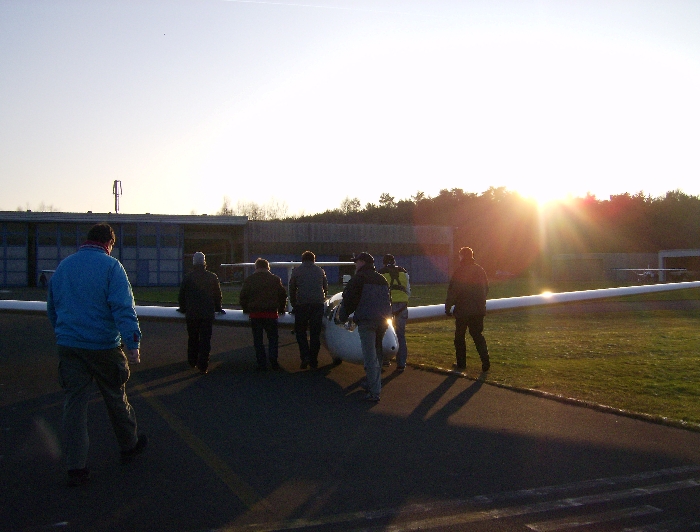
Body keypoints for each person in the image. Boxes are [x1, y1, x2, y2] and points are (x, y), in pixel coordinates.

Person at [46, 223, 147, 487]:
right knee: (115, 398)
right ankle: (129, 445)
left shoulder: (64, 267)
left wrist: (64, 334)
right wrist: (132, 343)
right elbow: (123, 308)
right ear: (109, 243)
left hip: (69, 346)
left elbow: (52, 308)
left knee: (74, 406)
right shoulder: (112, 267)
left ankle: (76, 466)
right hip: (103, 347)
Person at [338, 252, 392, 402]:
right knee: (377, 353)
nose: (355, 264)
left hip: (367, 321)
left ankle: (374, 392)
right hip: (383, 321)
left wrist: (342, 317)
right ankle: (373, 383)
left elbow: (349, 300)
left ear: (362, 262)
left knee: (369, 356)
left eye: (356, 262)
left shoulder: (358, 279)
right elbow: (388, 300)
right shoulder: (382, 279)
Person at [177, 251, 225, 374]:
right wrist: (218, 308)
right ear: (204, 263)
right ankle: (203, 365)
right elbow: (217, 295)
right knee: (205, 340)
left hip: (192, 313)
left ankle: (192, 361)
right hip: (207, 313)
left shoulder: (188, 277)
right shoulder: (212, 277)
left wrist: (183, 308)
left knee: (193, 338)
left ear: (194, 263)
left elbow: (182, 295)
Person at [444, 246, 490, 372]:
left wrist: (448, 307)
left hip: (463, 310)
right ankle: (485, 362)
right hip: (479, 310)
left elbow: (453, 291)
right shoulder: (480, 270)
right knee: (477, 335)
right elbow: (486, 288)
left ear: (462, 256)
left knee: (459, 337)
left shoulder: (460, 271)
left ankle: (461, 364)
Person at [239, 258, 288, 371]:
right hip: (271, 313)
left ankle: (261, 363)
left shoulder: (250, 280)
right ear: (267, 267)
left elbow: (243, 296)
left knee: (258, 340)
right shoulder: (275, 279)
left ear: (256, 267)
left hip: (255, 314)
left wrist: (246, 309)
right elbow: (282, 295)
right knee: (273, 338)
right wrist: (281, 308)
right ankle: (273, 360)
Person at [289, 250, 328, 369]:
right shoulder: (320, 271)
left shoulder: (296, 271)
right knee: (315, 333)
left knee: (300, 331)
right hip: (317, 304)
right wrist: (322, 299)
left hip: (302, 304)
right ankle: (313, 360)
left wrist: (294, 304)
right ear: (313, 260)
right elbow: (325, 287)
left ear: (302, 260)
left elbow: (292, 289)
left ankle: (305, 355)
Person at [378, 254, 410, 371]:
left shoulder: (381, 273)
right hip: (402, 305)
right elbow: (408, 290)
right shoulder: (403, 272)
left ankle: (384, 360)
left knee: (383, 334)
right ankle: (401, 363)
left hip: (387, 305)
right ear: (394, 261)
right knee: (400, 335)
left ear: (384, 263)